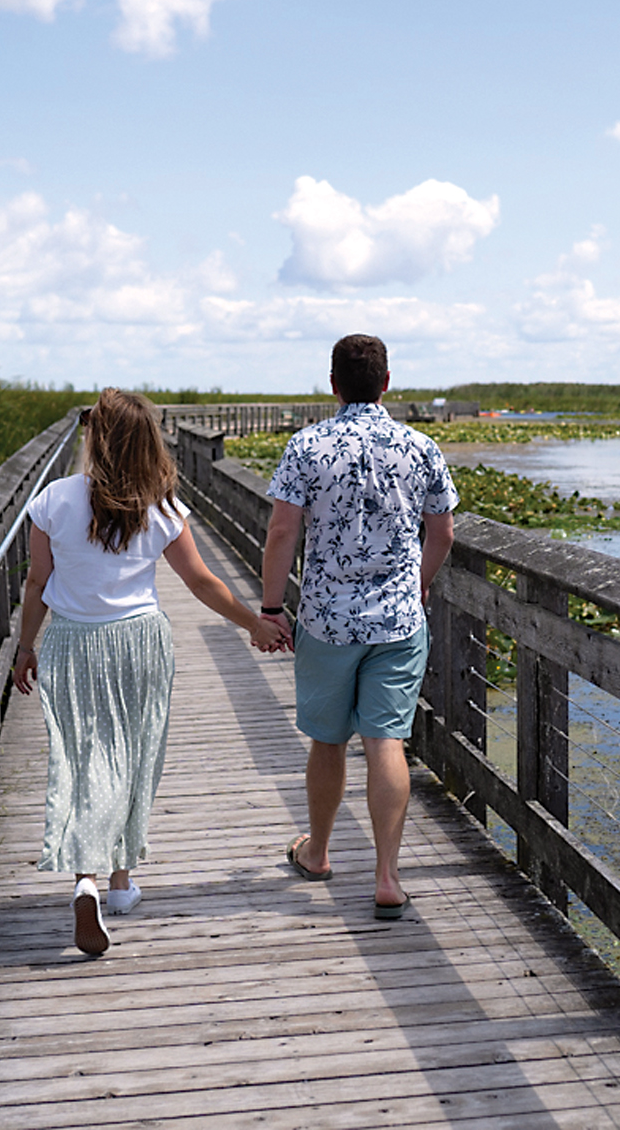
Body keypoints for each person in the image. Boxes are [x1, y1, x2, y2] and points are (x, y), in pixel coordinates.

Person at [12, 388, 287, 956]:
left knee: (83, 756)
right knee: (133, 755)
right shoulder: (161, 506)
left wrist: (24, 647)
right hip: (139, 642)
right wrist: (253, 623)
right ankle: (111, 883)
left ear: (96, 438)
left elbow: (36, 582)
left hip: (72, 641)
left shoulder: (54, 500)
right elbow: (201, 581)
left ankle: (98, 881)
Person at [260, 334, 458, 921]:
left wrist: (271, 608)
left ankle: (318, 853)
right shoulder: (420, 446)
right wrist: (418, 583)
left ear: (333, 385)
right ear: (387, 382)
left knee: (328, 740)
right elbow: (443, 532)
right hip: (397, 620)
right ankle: (387, 877)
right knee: (386, 741)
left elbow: (282, 532)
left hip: (326, 619)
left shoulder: (307, 445)